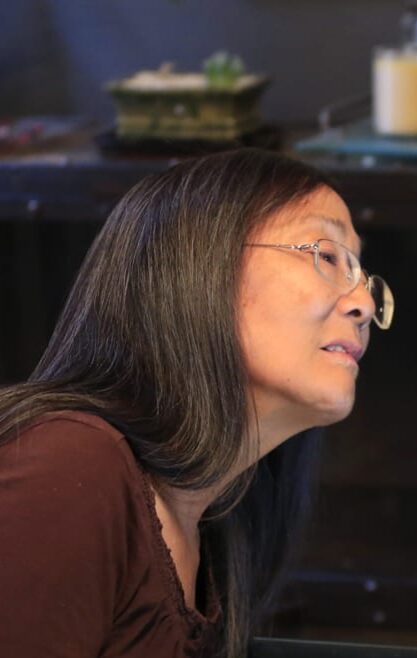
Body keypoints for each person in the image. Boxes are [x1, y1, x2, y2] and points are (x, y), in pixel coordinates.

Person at [0, 148, 394, 657]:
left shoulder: (216, 523)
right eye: (328, 257)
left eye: (362, 276)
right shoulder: (69, 465)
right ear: (199, 263)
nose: (363, 304)